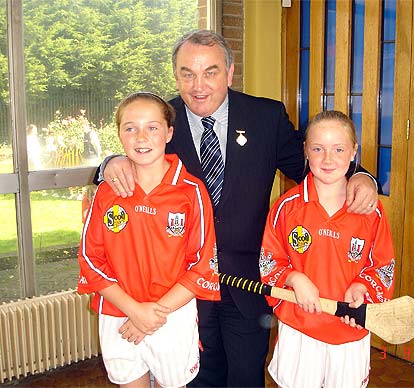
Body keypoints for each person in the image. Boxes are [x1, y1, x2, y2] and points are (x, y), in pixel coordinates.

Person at [96, 30, 379, 387]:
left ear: (229, 73)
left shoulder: (265, 116)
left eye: (210, 72)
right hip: (184, 287)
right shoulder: (162, 123)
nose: (199, 85)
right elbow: (133, 151)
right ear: (176, 75)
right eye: (187, 73)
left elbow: (316, 163)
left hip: (246, 280)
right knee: (197, 377)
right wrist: (108, 163)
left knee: (246, 376)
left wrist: (363, 175)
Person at [78, 91, 220, 388]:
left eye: (152, 127)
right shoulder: (107, 192)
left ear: (169, 132)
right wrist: (135, 310)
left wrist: (152, 314)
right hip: (119, 314)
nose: (141, 137)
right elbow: (90, 259)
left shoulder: (191, 191)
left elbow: (204, 265)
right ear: (119, 134)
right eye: (130, 128)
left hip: (171, 315)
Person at [260, 110, 395, 388]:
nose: (328, 159)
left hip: (349, 327)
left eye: (339, 149)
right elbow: (269, 261)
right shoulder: (287, 207)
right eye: (318, 148)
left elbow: (383, 267)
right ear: (306, 151)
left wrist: (362, 288)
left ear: (353, 151)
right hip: (300, 326)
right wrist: (294, 278)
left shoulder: (371, 211)